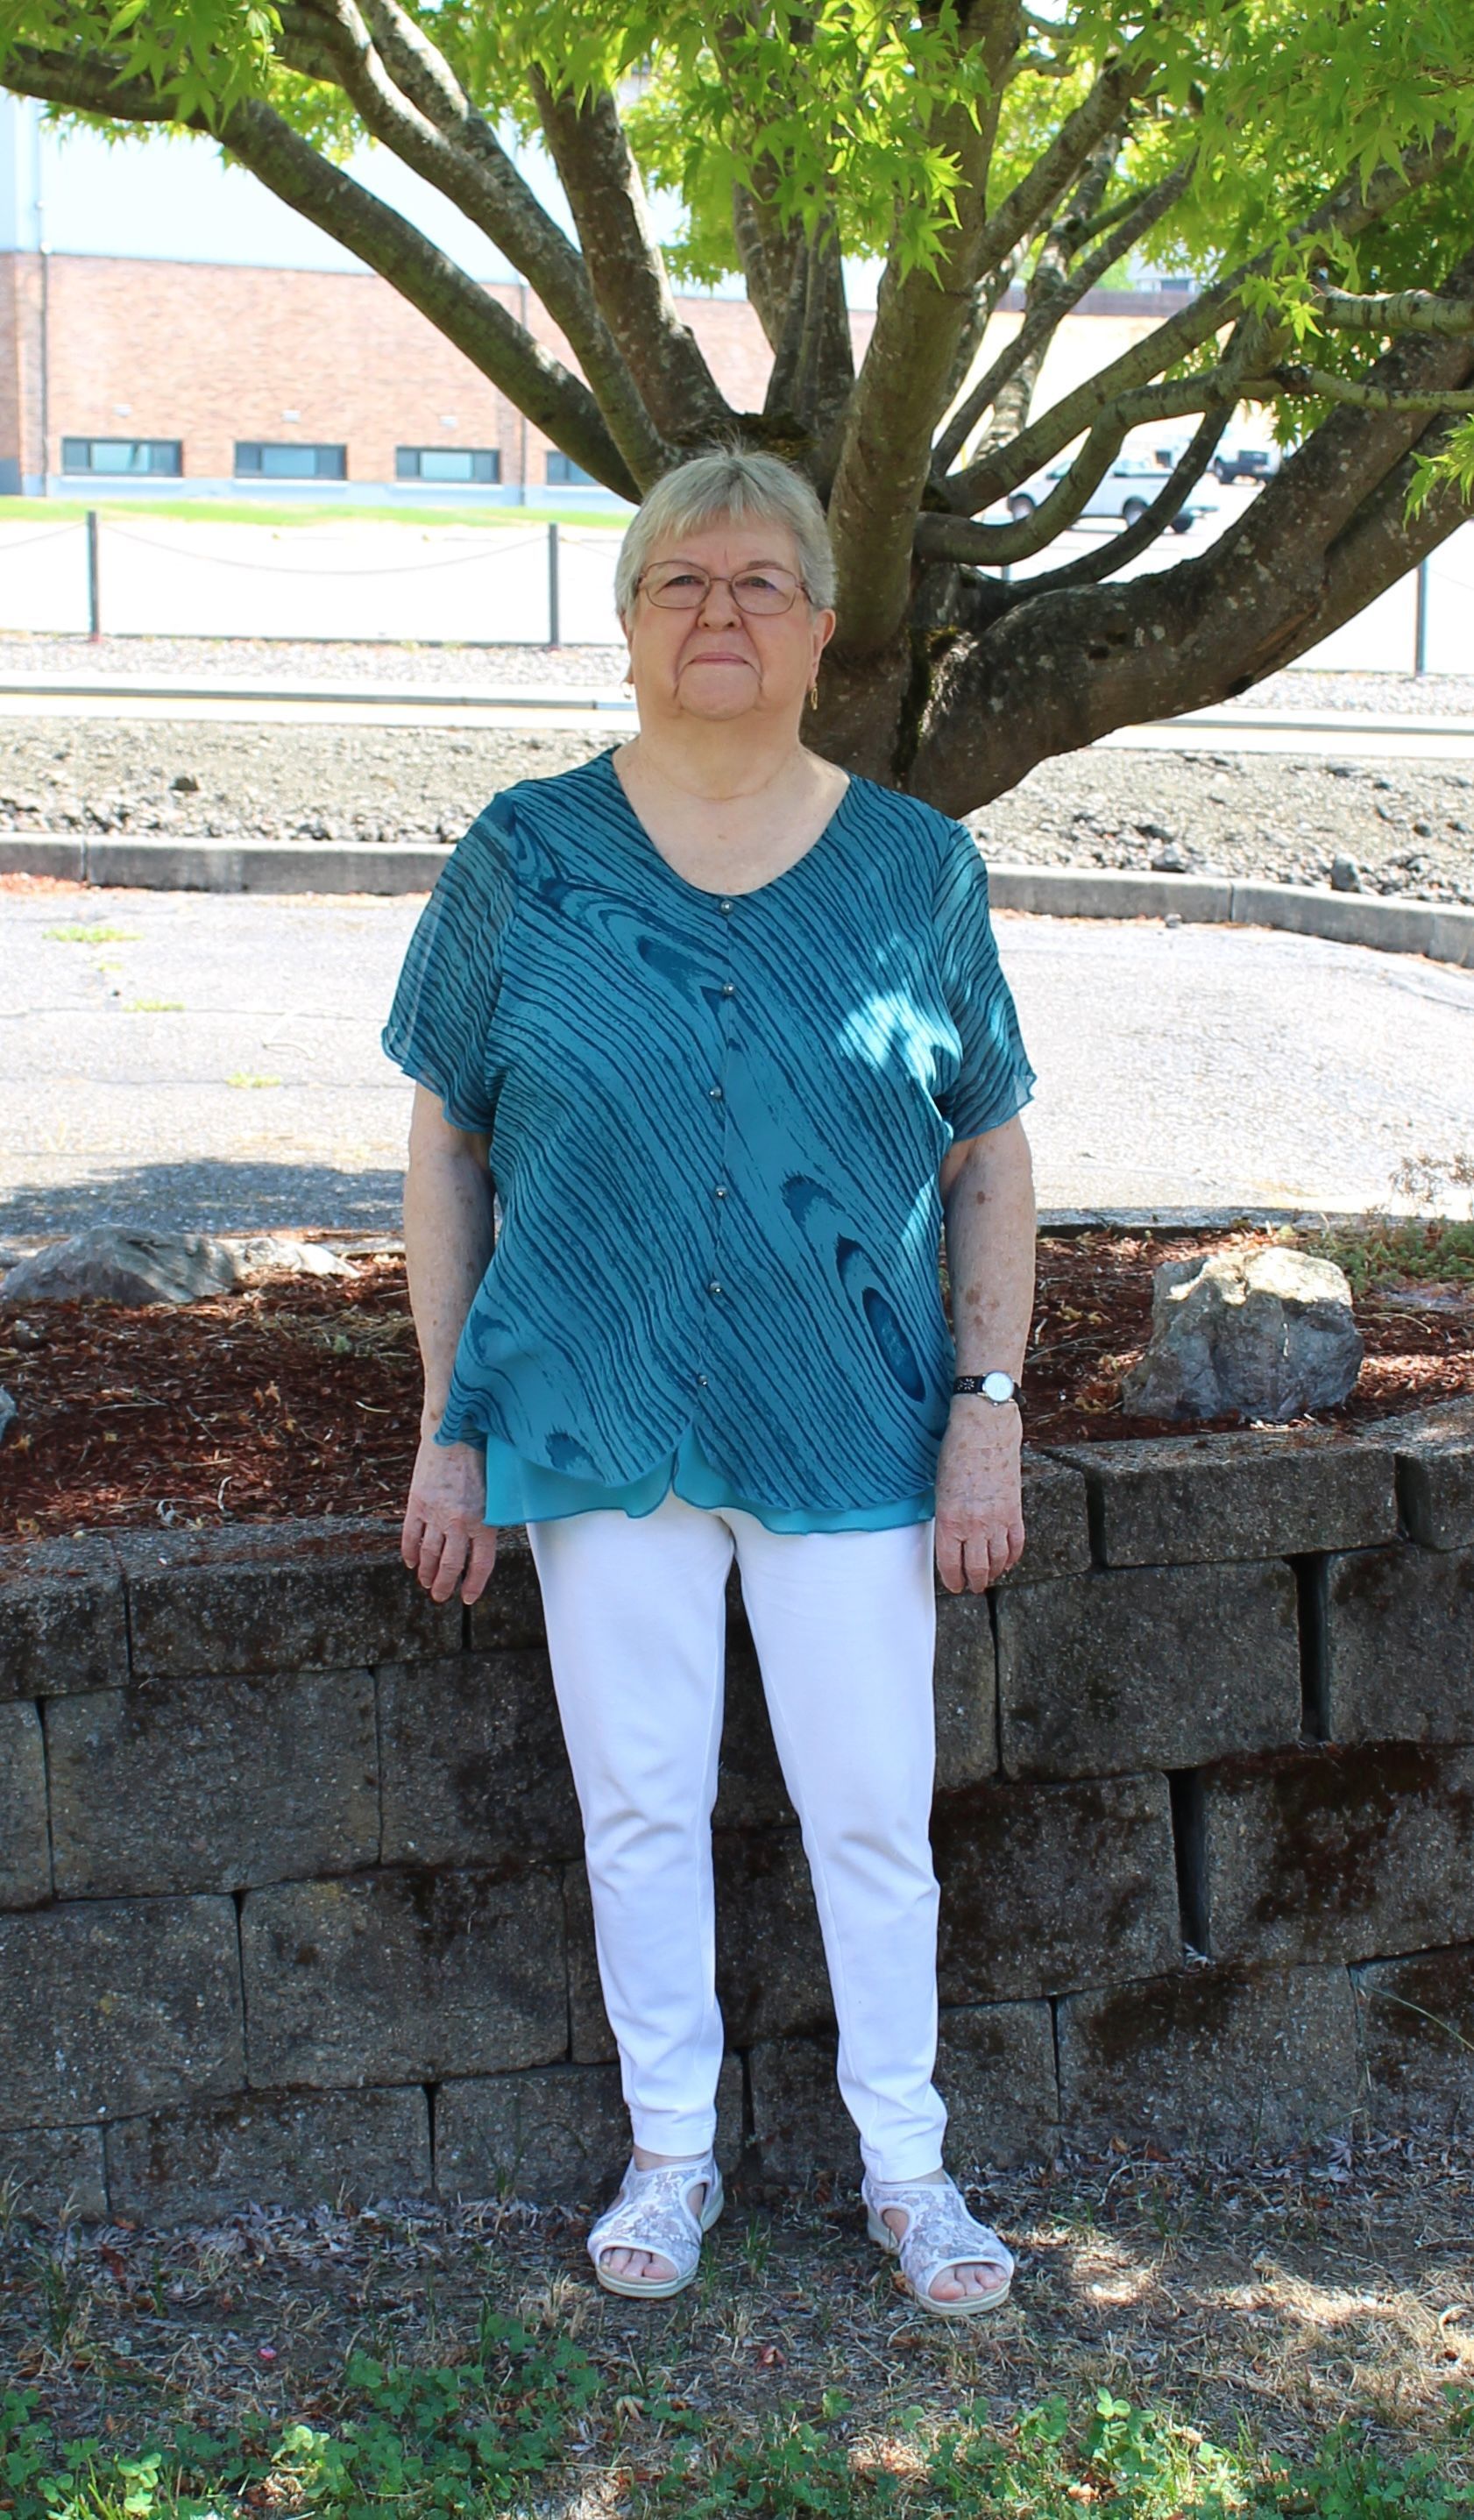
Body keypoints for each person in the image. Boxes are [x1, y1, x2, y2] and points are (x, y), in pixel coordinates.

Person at [381, 445, 1038, 2319]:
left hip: (855, 1417)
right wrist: (452, 1426)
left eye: (759, 582)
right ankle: (671, 2156)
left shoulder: (916, 867)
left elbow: (984, 1149)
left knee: (867, 1806)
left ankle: (907, 2169)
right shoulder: (525, 851)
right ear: (626, 624)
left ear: (824, 625)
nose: (719, 612)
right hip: (597, 1415)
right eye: (681, 581)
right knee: (641, 1801)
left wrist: (983, 1400)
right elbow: (445, 1147)